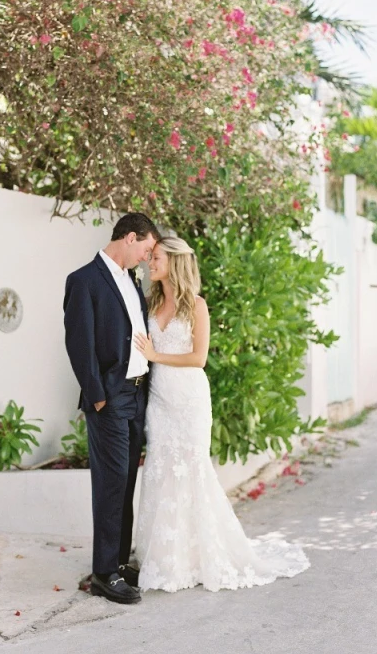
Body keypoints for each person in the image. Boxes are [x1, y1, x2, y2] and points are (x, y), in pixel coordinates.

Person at [133, 236, 310, 592]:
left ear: (175, 263)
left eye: (156, 258)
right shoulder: (149, 303)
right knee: (161, 471)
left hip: (190, 401)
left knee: (192, 472)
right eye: (150, 258)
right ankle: (166, 558)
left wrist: (156, 357)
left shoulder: (195, 305)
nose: (150, 263)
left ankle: (200, 556)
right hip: (160, 403)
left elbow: (198, 358)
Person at [63, 213, 160, 604]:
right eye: (147, 249)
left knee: (127, 480)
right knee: (111, 481)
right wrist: (98, 395)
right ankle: (103, 573)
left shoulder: (131, 282)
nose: (147, 258)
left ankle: (118, 562)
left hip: (138, 395)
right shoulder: (83, 280)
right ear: (130, 237)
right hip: (111, 396)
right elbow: (78, 344)